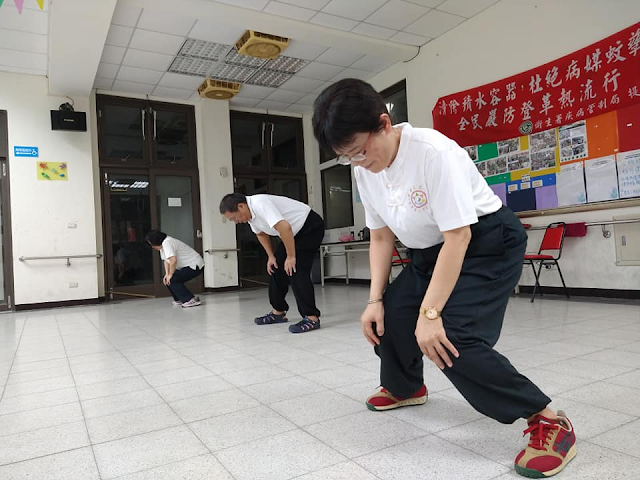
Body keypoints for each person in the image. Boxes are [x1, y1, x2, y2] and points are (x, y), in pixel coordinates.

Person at [312, 79, 576, 479]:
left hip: (486, 242)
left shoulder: (433, 153)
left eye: (360, 152)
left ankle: (548, 420)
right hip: (429, 252)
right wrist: (373, 299)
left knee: (448, 334)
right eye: (346, 158)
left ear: (384, 123)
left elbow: (460, 235)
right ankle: (406, 387)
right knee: (392, 316)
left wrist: (432, 313)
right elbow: (381, 236)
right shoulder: (366, 169)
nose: (358, 163)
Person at [219, 193, 324, 334]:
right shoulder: (250, 216)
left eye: (234, 218)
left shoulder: (260, 203)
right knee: (276, 268)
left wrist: (291, 256)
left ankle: (312, 318)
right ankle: (278, 312)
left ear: (241, 206)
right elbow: (261, 234)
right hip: (292, 233)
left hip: (308, 227)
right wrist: (271, 256)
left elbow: (285, 227)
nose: (235, 222)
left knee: (296, 269)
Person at [145, 230, 204, 308]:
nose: (152, 246)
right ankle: (179, 299)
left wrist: (170, 274)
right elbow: (166, 261)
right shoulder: (163, 245)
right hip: (189, 266)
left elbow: (173, 260)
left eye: (152, 244)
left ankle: (190, 299)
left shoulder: (167, 242)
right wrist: (167, 274)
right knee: (168, 279)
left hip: (195, 265)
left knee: (173, 279)